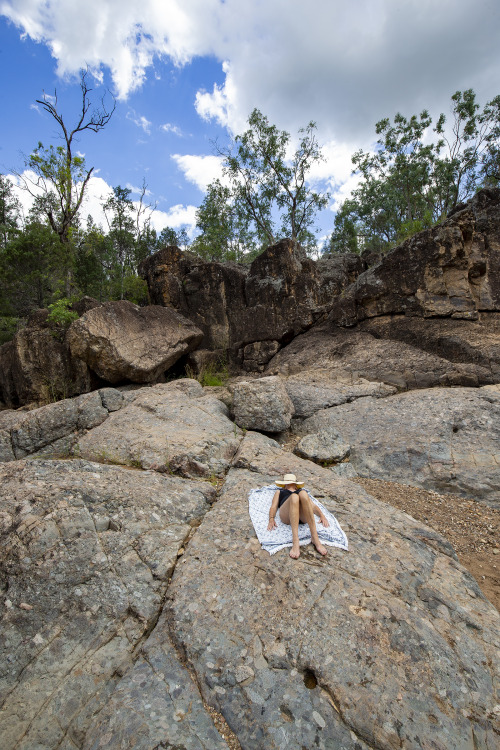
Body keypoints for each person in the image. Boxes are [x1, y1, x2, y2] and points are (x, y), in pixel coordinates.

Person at [267, 473, 329, 559]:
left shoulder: (301, 491)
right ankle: (295, 541)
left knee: (303, 493)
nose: (289, 485)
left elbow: (313, 507)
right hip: (287, 515)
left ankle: (315, 537)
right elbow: (273, 506)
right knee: (294, 497)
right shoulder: (279, 492)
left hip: (302, 516)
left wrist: (322, 515)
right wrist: (271, 518)